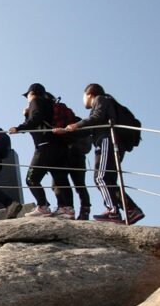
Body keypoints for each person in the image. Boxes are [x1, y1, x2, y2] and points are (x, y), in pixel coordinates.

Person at [59, 84, 145, 224]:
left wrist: (76, 125)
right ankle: (131, 210)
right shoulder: (105, 103)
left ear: (90, 93)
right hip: (113, 142)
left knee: (100, 177)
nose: (82, 100)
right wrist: (67, 131)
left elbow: (96, 117)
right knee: (108, 180)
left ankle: (112, 212)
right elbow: (91, 127)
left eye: (83, 96)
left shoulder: (100, 99)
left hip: (107, 141)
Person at [9, 83, 74, 218]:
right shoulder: (50, 103)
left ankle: (43, 206)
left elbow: (36, 119)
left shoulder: (36, 101)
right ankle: (67, 208)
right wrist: (27, 115)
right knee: (60, 178)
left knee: (31, 178)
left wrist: (19, 128)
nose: (27, 98)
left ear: (31, 93)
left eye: (27, 95)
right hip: (59, 144)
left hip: (45, 145)